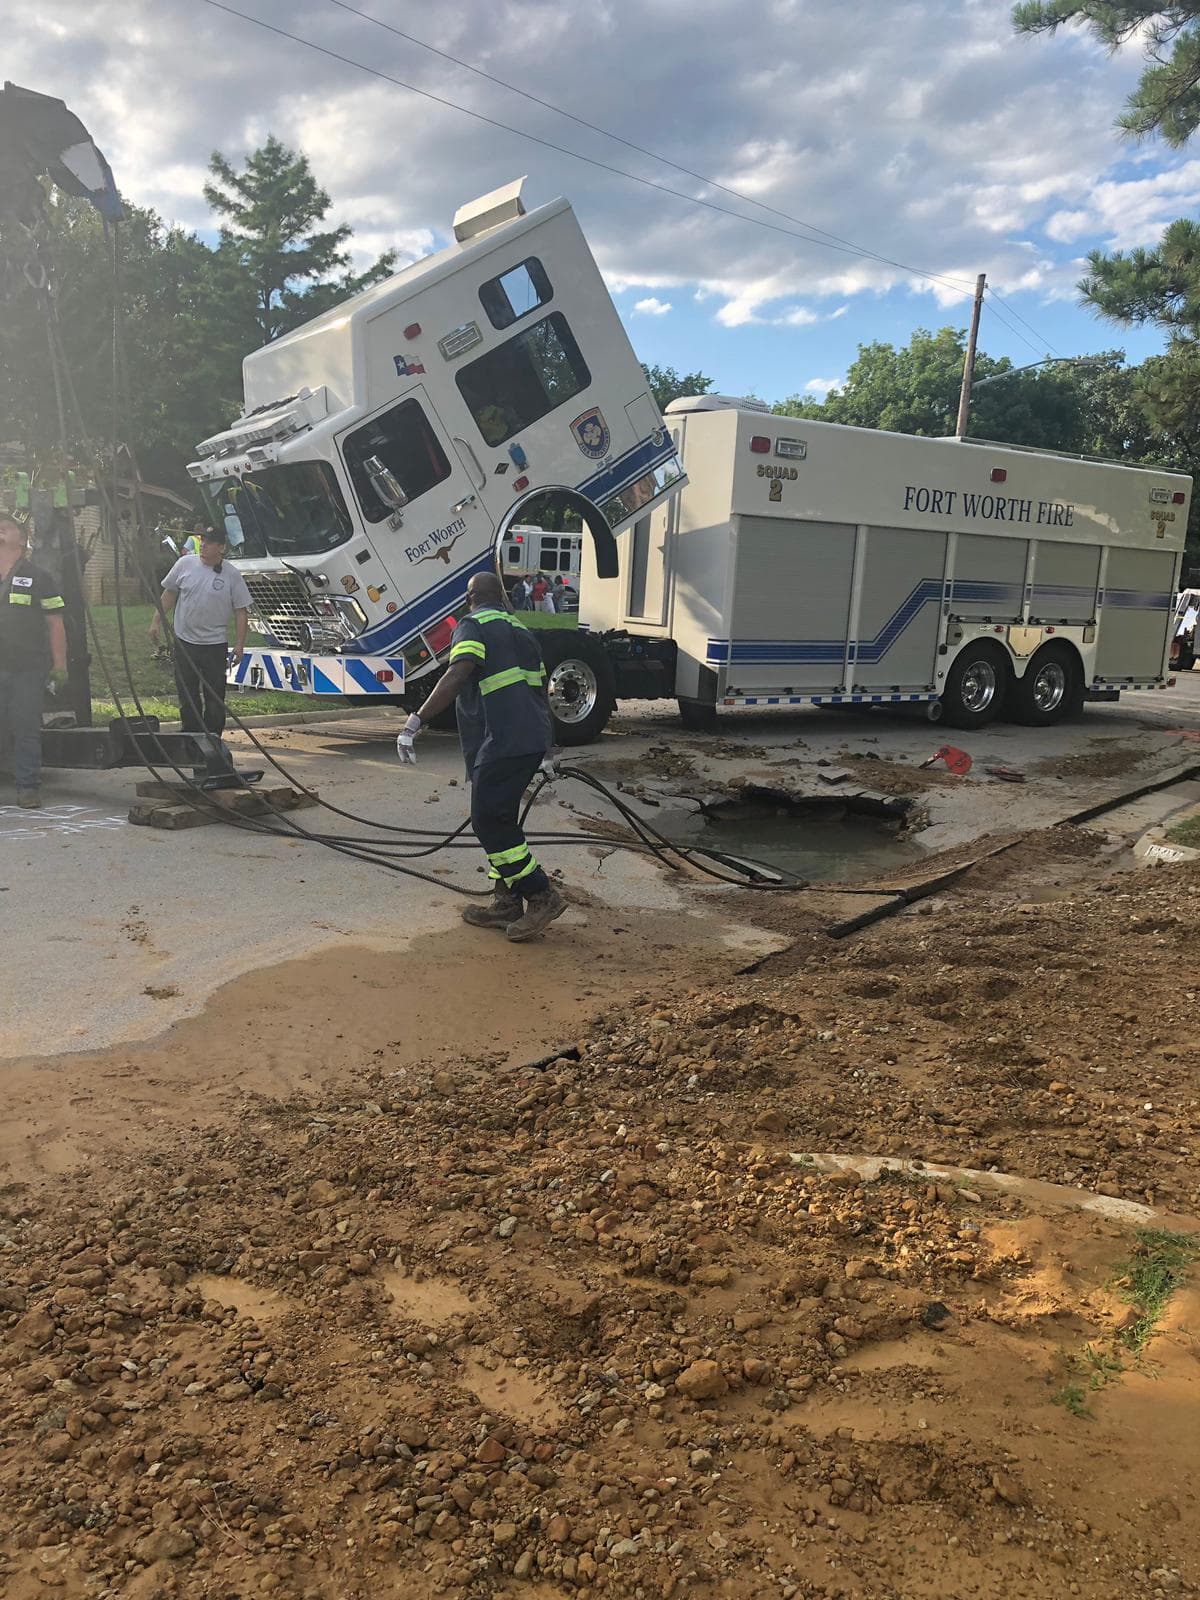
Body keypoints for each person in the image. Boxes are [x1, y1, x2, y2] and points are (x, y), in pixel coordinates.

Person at [396, 571, 567, 942]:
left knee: (489, 821)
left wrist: (416, 721)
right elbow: (541, 694)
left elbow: (458, 676)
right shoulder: (522, 631)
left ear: (470, 597)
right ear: (501, 596)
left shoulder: (472, 626)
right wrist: (548, 749)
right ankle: (506, 901)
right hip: (528, 739)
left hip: (502, 739)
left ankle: (541, 895)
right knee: (499, 817)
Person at [150, 528, 250, 749]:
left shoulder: (231, 575)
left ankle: (212, 738)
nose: (204, 545)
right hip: (185, 642)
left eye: (210, 542)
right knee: (187, 692)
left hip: (214, 644)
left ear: (221, 547)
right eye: (203, 540)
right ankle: (191, 736)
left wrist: (240, 645)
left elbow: (241, 611)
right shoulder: (185, 564)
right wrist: (156, 620)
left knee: (214, 695)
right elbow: (169, 593)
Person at [0, 513, 67, 809]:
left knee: (25, 726)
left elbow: (55, 623)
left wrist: (60, 664)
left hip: (27, 666)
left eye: (6, 526)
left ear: (23, 538)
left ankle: (28, 786)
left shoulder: (39, 577)